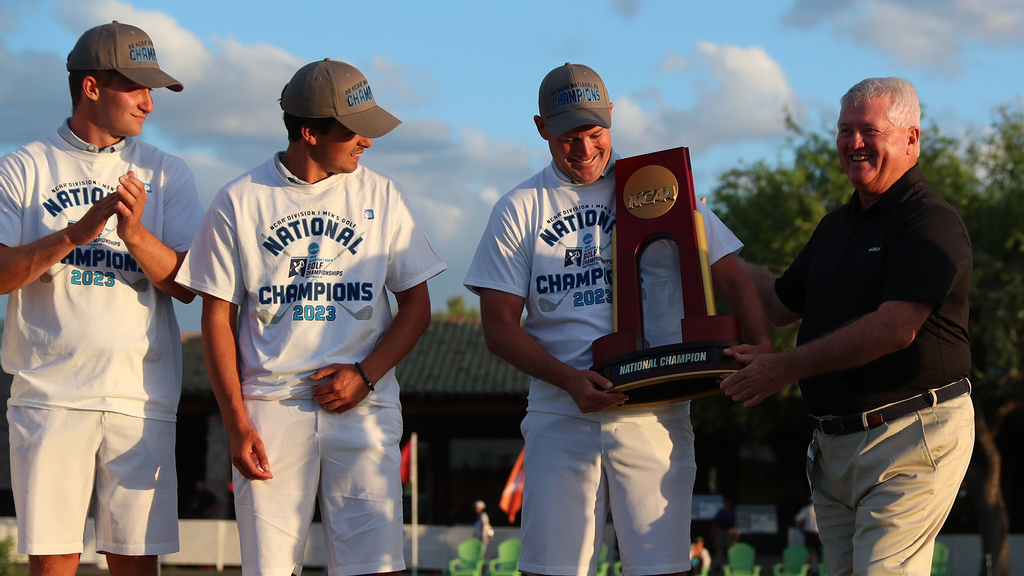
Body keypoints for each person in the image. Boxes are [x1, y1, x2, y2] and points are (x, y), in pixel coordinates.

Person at [464, 62, 772, 576]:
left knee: (662, 567)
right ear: (541, 128)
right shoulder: (518, 208)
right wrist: (567, 379)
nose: (584, 151)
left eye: (594, 133)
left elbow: (731, 278)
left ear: (612, 118)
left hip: (656, 405)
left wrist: (762, 344)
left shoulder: (658, 187)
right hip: (562, 411)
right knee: (552, 569)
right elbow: (497, 326)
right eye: (567, 137)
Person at [176, 58, 446, 576]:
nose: (368, 141)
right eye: (355, 131)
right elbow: (217, 319)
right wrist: (235, 422)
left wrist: (365, 376)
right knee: (269, 569)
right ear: (309, 132)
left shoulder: (382, 194)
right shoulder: (239, 199)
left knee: (374, 567)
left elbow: (417, 306)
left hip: (364, 406)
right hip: (271, 409)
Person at [720, 77, 974, 576]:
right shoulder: (835, 225)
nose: (853, 143)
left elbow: (894, 329)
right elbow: (778, 303)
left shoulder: (931, 223)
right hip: (833, 449)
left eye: (868, 130)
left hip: (909, 437)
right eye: (844, 131)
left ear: (910, 139)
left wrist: (783, 367)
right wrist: (712, 245)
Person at [0, 21, 202, 576]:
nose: (149, 103)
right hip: (48, 394)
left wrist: (136, 236)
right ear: (91, 88)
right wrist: (73, 234)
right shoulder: (23, 168)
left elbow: (189, 286)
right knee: (53, 565)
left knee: (136, 565)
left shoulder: (168, 173)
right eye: (137, 87)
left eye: (153, 90)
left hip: (141, 396)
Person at [794, 498, 820, 574]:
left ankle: (809, 572)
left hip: (809, 533)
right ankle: (820, 571)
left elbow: (796, 519)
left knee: (809, 554)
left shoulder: (807, 509)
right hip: (818, 533)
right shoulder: (820, 508)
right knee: (819, 554)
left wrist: (801, 529)